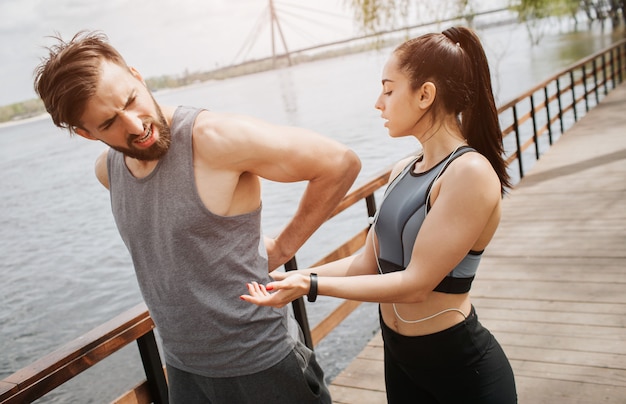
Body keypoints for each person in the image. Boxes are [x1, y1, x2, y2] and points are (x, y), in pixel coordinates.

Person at [34, 30, 361, 404]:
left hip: (262, 361)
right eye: (109, 123)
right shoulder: (108, 171)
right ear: (86, 133)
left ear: (138, 76)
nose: (135, 125)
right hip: (183, 369)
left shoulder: (214, 138)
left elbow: (339, 163)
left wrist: (284, 247)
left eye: (131, 99)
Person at [242, 26, 518, 403]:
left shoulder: (469, 173)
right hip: (401, 363)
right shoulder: (402, 169)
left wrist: (310, 285)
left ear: (425, 95)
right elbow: (366, 265)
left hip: (461, 373)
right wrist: (286, 278)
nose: (378, 102)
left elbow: (417, 283)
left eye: (388, 90)